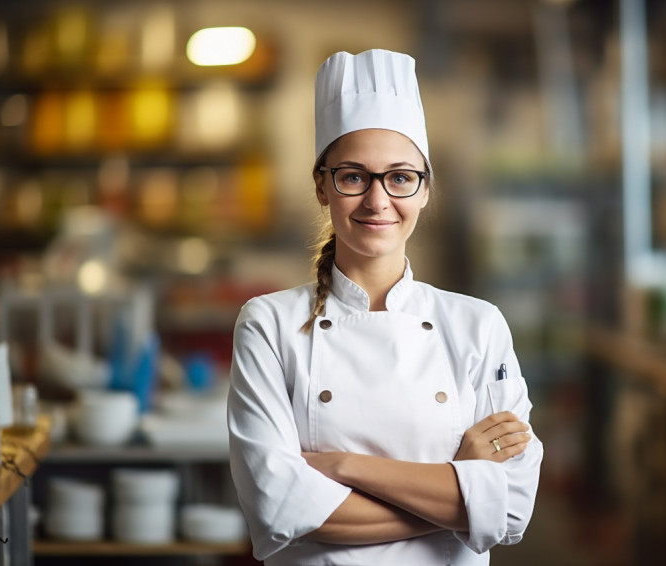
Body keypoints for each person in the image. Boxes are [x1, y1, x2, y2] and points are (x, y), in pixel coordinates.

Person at [228, 49, 543, 565]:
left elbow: (510, 511)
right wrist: (461, 493)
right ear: (322, 187)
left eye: (400, 177)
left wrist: (344, 467)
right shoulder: (268, 325)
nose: (378, 201)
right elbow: (276, 507)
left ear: (423, 190)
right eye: (354, 176)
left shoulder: (478, 326)